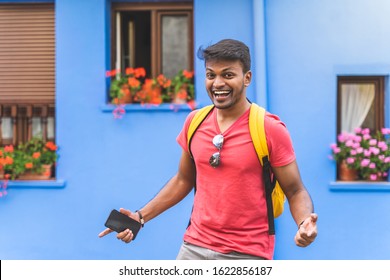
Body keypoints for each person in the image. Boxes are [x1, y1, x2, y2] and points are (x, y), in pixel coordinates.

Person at [99, 39, 318, 260]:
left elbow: (295, 190)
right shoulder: (195, 122)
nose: (217, 83)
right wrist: (140, 217)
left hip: (246, 254)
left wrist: (304, 222)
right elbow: (183, 180)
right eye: (211, 75)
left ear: (247, 78)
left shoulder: (269, 128)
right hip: (193, 247)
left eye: (228, 75)